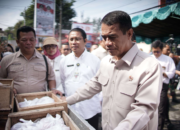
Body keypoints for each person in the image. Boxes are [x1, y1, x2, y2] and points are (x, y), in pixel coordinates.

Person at [61, 11, 162, 130]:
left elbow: (143, 110)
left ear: (129, 33)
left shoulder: (149, 66)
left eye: (112, 37)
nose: (107, 43)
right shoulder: (106, 62)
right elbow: (91, 87)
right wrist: (66, 101)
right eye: (104, 38)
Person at [0, 26, 62, 96]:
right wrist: (9, 88)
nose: (28, 43)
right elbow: (2, 80)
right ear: (18, 42)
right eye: (24, 40)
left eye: (31, 39)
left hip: (41, 102)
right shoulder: (7, 60)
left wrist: (53, 89)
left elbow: (51, 78)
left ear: (35, 41)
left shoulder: (45, 59)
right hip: (15, 102)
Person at [60, 28, 101, 130]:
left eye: (77, 39)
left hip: (90, 110)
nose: (74, 42)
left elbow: (100, 85)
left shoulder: (95, 60)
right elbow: (63, 82)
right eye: (71, 39)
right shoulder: (64, 61)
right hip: (71, 109)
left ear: (85, 41)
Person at [151, 40, 175, 130]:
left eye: (158, 51)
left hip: (162, 86)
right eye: (154, 51)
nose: (156, 53)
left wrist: (163, 73)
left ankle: (159, 127)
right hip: (151, 86)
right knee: (151, 108)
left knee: (160, 110)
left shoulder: (168, 59)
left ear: (161, 50)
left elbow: (172, 72)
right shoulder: (149, 58)